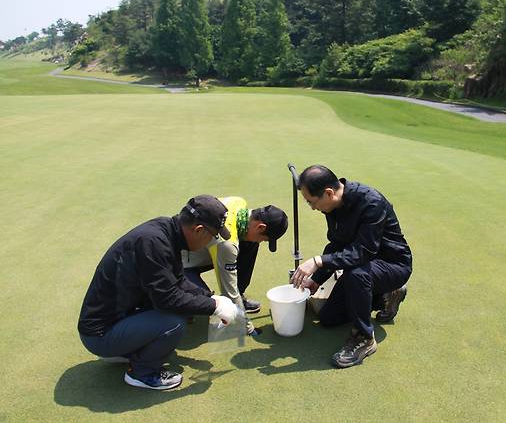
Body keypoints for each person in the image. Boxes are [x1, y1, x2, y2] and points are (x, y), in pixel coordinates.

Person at [78, 195, 241, 390]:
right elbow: (167, 299)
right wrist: (213, 307)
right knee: (173, 324)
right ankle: (141, 374)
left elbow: (178, 281)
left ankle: (129, 349)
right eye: (213, 236)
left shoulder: (166, 231)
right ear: (199, 230)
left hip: (118, 318)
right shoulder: (154, 242)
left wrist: (211, 298)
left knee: (179, 311)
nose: (212, 241)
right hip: (100, 335)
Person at [291, 165, 412, 368]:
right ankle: (384, 297)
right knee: (328, 318)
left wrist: (317, 261)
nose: (312, 208)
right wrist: (316, 279)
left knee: (356, 273)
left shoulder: (371, 203)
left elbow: (362, 252)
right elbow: (337, 244)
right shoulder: (332, 206)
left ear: (328, 193)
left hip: (393, 265)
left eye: (312, 202)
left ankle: (364, 338)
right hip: (365, 269)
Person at [181, 196, 288, 334]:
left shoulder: (238, 202)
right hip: (180, 265)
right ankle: (179, 307)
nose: (262, 242)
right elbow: (229, 292)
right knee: (206, 303)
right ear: (260, 226)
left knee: (250, 243)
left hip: (204, 252)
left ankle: (240, 298)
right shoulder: (228, 245)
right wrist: (247, 328)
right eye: (264, 239)